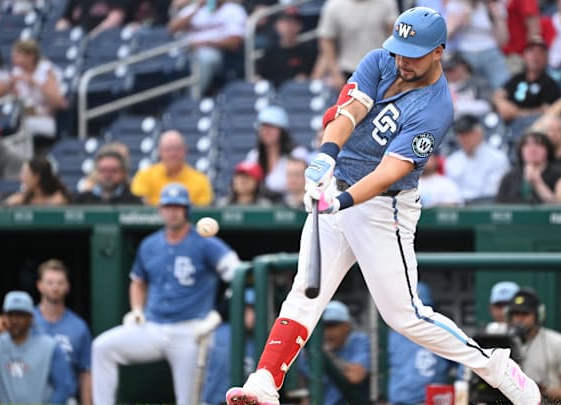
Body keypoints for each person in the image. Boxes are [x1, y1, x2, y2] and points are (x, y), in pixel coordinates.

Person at [225, 7, 541, 405]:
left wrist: (339, 200)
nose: (402, 60)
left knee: (405, 316)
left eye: (413, 53)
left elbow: (389, 172)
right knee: (305, 294)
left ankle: (494, 366)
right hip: (338, 186)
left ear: (439, 51)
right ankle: (264, 383)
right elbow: (349, 111)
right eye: (399, 50)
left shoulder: (436, 107)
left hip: (383, 209)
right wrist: (326, 154)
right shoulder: (381, 60)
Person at [91, 183, 241, 405]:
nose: (172, 212)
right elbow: (138, 282)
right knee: (102, 347)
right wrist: (137, 310)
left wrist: (217, 315)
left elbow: (239, 276)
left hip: (191, 330)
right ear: (160, 209)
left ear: (186, 209)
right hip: (153, 327)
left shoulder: (206, 243)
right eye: (168, 206)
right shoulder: (150, 244)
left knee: (188, 400)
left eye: (177, 207)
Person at [0, 291, 76, 404]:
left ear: (31, 317)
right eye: (10, 314)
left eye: (20, 315)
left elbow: (65, 386)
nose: (14, 320)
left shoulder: (49, 346)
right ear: (3, 316)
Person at [388, 282, 463, 405]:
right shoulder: (395, 332)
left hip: (430, 401)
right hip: (398, 401)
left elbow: (463, 363)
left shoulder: (439, 332)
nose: (417, 315)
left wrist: (460, 392)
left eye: (421, 309)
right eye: (412, 310)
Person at [33, 259, 93, 405]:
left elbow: (85, 372)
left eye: (60, 282)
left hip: (66, 399)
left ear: (67, 286)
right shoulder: (27, 322)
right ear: (40, 285)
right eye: (50, 282)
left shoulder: (79, 326)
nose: (55, 287)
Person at [507, 289, 561, 404]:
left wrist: (540, 393)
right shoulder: (503, 343)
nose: (519, 319)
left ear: (538, 315)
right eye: (516, 314)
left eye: (525, 314)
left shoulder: (559, 342)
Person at [310, 0, 399, 89]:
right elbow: (327, 42)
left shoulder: (386, 2)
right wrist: (335, 74)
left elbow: (394, 36)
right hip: (347, 71)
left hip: (380, 71)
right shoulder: (334, 5)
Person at [167, 0, 247, 96]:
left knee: (205, 58)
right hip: (187, 52)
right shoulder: (194, 9)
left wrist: (204, 43)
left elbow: (234, 42)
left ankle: (191, 100)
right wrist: (196, 9)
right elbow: (171, 29)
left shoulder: (234, 10)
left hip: (218, 54)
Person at [9, 39, 68, 152]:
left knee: (24, 126)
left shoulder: (45, 70)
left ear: (30, 57)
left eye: (17, 56)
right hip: (27, 117)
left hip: (49, 119)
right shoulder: (16, 72)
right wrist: (12, 88)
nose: (13, 60)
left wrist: (33, 81)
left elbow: (59, 102)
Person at [131, 130, 213, 206]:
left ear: (185, 150)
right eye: (168, 149)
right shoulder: (144, 176)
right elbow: (138, 207)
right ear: (160, 152)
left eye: (177, 149)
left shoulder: (201, 181)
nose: (173, 154)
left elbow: (202, 212)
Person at [492, 37, 561, 126]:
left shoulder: (550, 85)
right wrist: (503, 105)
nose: (535, 57)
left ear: (546, 58)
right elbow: (497, 96)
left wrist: (518, 113)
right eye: (531, 52)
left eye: (540, 53)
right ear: (524, 56)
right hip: (507, 122)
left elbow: (548, 110)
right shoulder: (517, 78)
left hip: (532, 125)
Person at [244, 105, 309, 200]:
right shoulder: (254, 156)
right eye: (263, 127)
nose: (266, 131)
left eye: (271, 127)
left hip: (294, 204)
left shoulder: (298, 153)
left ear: (282, 130)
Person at [445, 0, 510, 89]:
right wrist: (459, 20)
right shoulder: (457, 4)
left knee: (503, 85)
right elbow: (447, 35)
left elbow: (503, 40)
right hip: (466, 53)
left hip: (490, 52)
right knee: (466, 88)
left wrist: (497, 18)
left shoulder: (494, 4)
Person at [315, 300, 371, 405]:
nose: (328, 332)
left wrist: (326, 356)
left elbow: (355, 376)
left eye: (333, 325)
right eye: (324, 327)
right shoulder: (313, 347)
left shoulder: (358, 341)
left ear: (346, 326)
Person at [445, 114, 510, 203]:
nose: (464, 139)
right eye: (460, 135)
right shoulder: (452, 161)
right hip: (459, 208)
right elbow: (450, 191)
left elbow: (494, 192)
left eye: (468, 134)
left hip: (486, 207)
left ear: (479, 133)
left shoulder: (498, 158)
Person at [496, 131, 561, 204]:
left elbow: (560, 208)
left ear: (547, 150)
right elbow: (499, 207)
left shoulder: (559, 174)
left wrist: (537, 183)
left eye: (538, 145)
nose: (532, 149)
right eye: (527, 145)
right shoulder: (510, 176)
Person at [256, 9, 317, 88]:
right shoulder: (270, 51)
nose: (289, 27)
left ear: (300, 26)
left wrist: (306, 80)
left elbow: (315, 78)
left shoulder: (308, 51)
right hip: (275, 95)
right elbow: (261, 77)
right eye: (285, 23)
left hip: (299, 94)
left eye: (293, 23)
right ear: (277, 26)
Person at [73, 148, 142, 204]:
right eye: (103, 170)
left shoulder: (134, 202)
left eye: (113, 170)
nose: (108, 175)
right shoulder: (82, 200)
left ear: (123, 172)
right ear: (96, 172)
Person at [3, 157, 71, 206]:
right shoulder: (22, 198)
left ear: (36, 177)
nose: (21, 177)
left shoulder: (58, 198)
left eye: (25, 174)